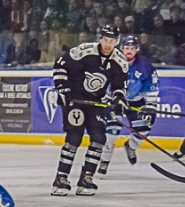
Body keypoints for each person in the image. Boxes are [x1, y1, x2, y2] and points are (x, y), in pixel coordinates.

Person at [51, 25, 128, 196]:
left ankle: (87, 178)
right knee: (74, 137)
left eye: (113, 41)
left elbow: (120, 86)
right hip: (75, 101)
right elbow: (60, 67)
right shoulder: (84, 51)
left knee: (99, 138)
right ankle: (61, 177)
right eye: (106, 40)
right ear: (100, 38)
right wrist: (63, 89)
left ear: (117, 41)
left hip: (94, 102)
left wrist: (118, 97)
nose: (109, 44)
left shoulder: (119, 61)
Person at [99, 35, 159, 174]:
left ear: (137, 49)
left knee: (143, 129)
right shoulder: (111, 62)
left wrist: (150, 104)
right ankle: (104, 161)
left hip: (136, 101)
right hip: (115, 100)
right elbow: (102, 82)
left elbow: (152, 84)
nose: (129, 51)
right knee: (112, 132)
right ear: (121, 49)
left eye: (132, 48)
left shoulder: (144, 64)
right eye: (126, 48)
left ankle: (130, 146)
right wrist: (107, 99)